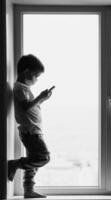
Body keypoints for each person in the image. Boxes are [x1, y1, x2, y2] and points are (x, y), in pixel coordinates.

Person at [7, 54, 52, 198]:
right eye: (36, 76)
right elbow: (25, 106)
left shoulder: (24, 88)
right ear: (26, 73)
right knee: (43, 157)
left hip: (32, 131)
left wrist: (42, 99)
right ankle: (14, 164)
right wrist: (39, 97)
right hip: (30, 132)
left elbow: (30, 107)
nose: (36, 79)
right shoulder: (20, 88)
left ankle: (28, 190)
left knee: (32, 164)